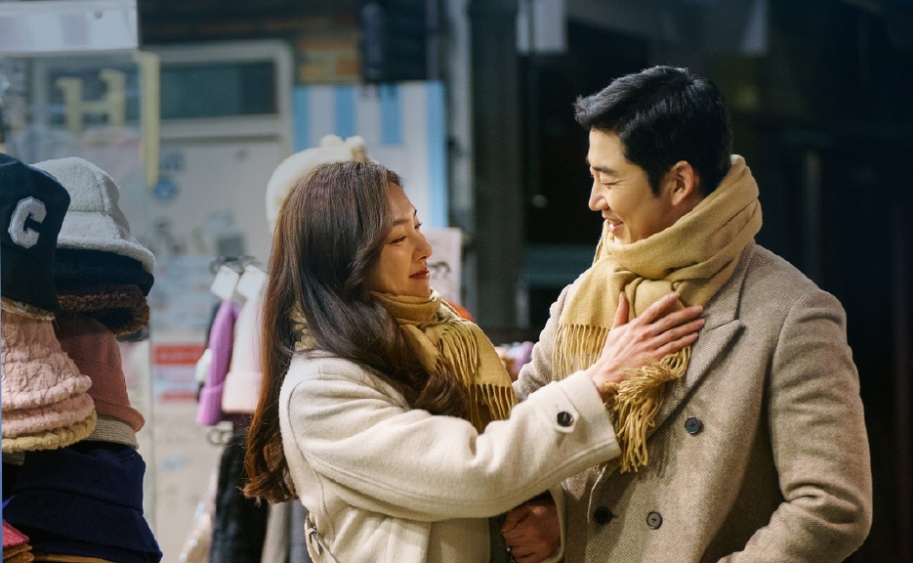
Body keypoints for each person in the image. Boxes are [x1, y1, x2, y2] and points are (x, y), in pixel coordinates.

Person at [242, 161, 705, 563]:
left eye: (417, 226)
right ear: (345, 262)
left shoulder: (446, 336)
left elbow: (509, 451)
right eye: (399, 238)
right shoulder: (322, 388)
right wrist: (597, 380)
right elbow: (473, 473)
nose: (424, 249)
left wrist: (550, 518)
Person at [507, 65, 873, 562]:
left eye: (607, 180)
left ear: (679, 182)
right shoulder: (585, 296)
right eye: (592, 177)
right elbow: (518, 432)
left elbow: (831, 505)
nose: (594, 201)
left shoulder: (791, 312)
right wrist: (553, 515)